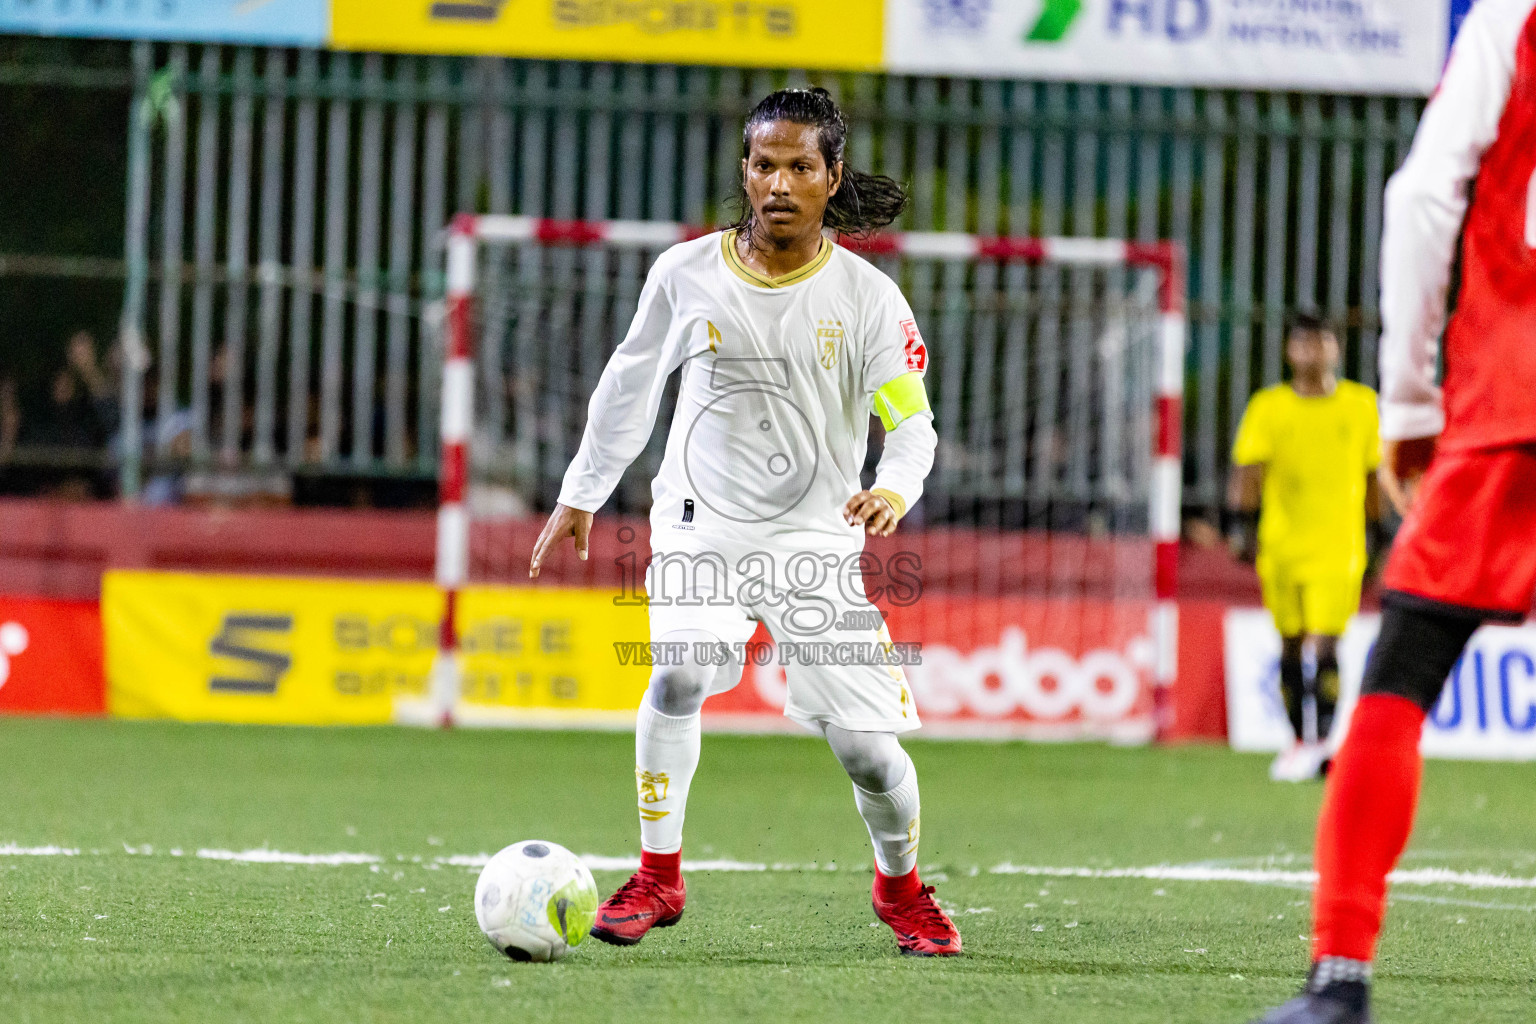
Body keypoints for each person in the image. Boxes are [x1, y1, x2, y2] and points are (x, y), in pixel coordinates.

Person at [528, 87, 959, 956]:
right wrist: (584, 489)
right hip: (699, 525)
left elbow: (909, 421)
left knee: (871, 755)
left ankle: (902, 890)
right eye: (764, 164)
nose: (779, 183)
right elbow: (629, 383)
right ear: (745, 170)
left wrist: (894, 488)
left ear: (832, 176)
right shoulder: (684, 272)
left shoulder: (870, 300)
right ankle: (658, 876)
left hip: (815, 543)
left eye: (801, 166)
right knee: (680, 672)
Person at [1252, 1, 1536, 1021]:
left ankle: (1339, 980)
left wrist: (1410, 403)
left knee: (1400, 683)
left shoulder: (1512, 22)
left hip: (1513, 405)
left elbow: (1422, 196)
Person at [1228, 312, 1382, 783]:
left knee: (1329, 641)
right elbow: (1249, 471)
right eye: (1303, 343)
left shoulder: (1361, 404)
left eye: (1321, 342)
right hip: (1282, 544)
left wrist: (1380, 533)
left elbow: (1374, 473)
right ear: (1289, 351)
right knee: (1291, 642)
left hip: (1340, 544)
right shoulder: (1269, 407)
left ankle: (1323, 743)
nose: (1312, 351)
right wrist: (1242, 526)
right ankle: (1297, 740)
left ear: (1335, 348)